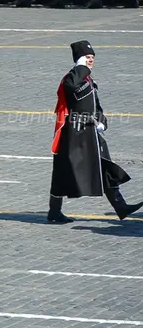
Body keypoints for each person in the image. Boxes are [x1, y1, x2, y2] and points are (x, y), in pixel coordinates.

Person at [48, 41, 143, 223]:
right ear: (80, 60)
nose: (91, 61)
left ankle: (120, 206)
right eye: (87, 57)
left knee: (104, 164)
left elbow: (96, 106)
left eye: (92, 58)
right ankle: (54, 211)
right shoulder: (73, 76)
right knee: (62, 171)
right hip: (74, 134)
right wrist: (81, 67)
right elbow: (70, 86)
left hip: (91, 131)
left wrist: (102, 121)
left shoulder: (89, 80)